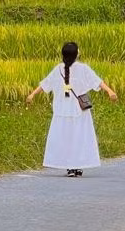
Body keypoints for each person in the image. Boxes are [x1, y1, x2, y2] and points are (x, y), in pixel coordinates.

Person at [26, 41, 117, 176]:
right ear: (77, 54)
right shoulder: (83, 68)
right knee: (79, 138)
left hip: (61, 111)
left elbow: (45, 84)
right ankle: (77, 166)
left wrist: (32, 94)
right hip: (79, 111)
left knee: (65, 139)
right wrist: (110, 91)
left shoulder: (58, 69)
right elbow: (97, 81)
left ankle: (70, 166)